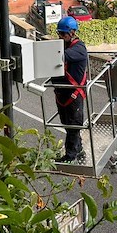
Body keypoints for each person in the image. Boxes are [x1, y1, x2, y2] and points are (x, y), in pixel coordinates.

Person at [51, 16, 88, 162]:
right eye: (59, 33)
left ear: (72, 33)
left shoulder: (79, 49)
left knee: (73, 126)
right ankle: (78, 149)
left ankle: (70, 156)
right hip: (63, 93)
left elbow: (60, 57)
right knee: (67, 124)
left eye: (62, 34)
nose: (60, 36)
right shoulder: (65, 45)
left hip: (73, 95)